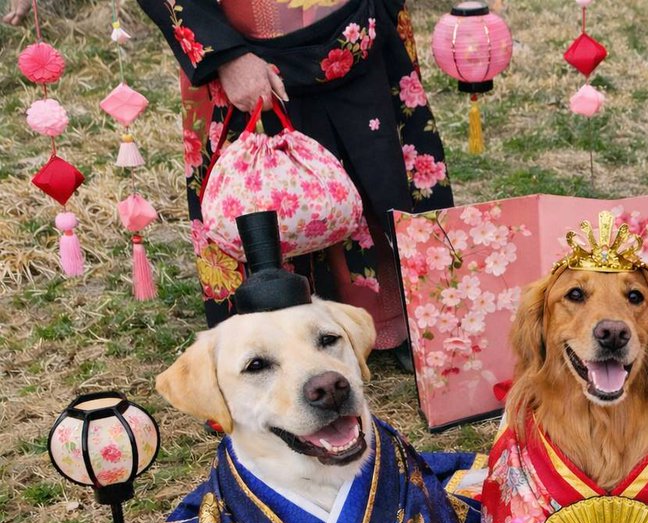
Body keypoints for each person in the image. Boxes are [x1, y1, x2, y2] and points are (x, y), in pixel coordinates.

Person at [137, 0, 453, 367]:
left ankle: (398, 317)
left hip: (359, 28)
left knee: (382, 164)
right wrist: (225, 54)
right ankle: (274, 342)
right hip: (244, 43)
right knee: (261, 189)